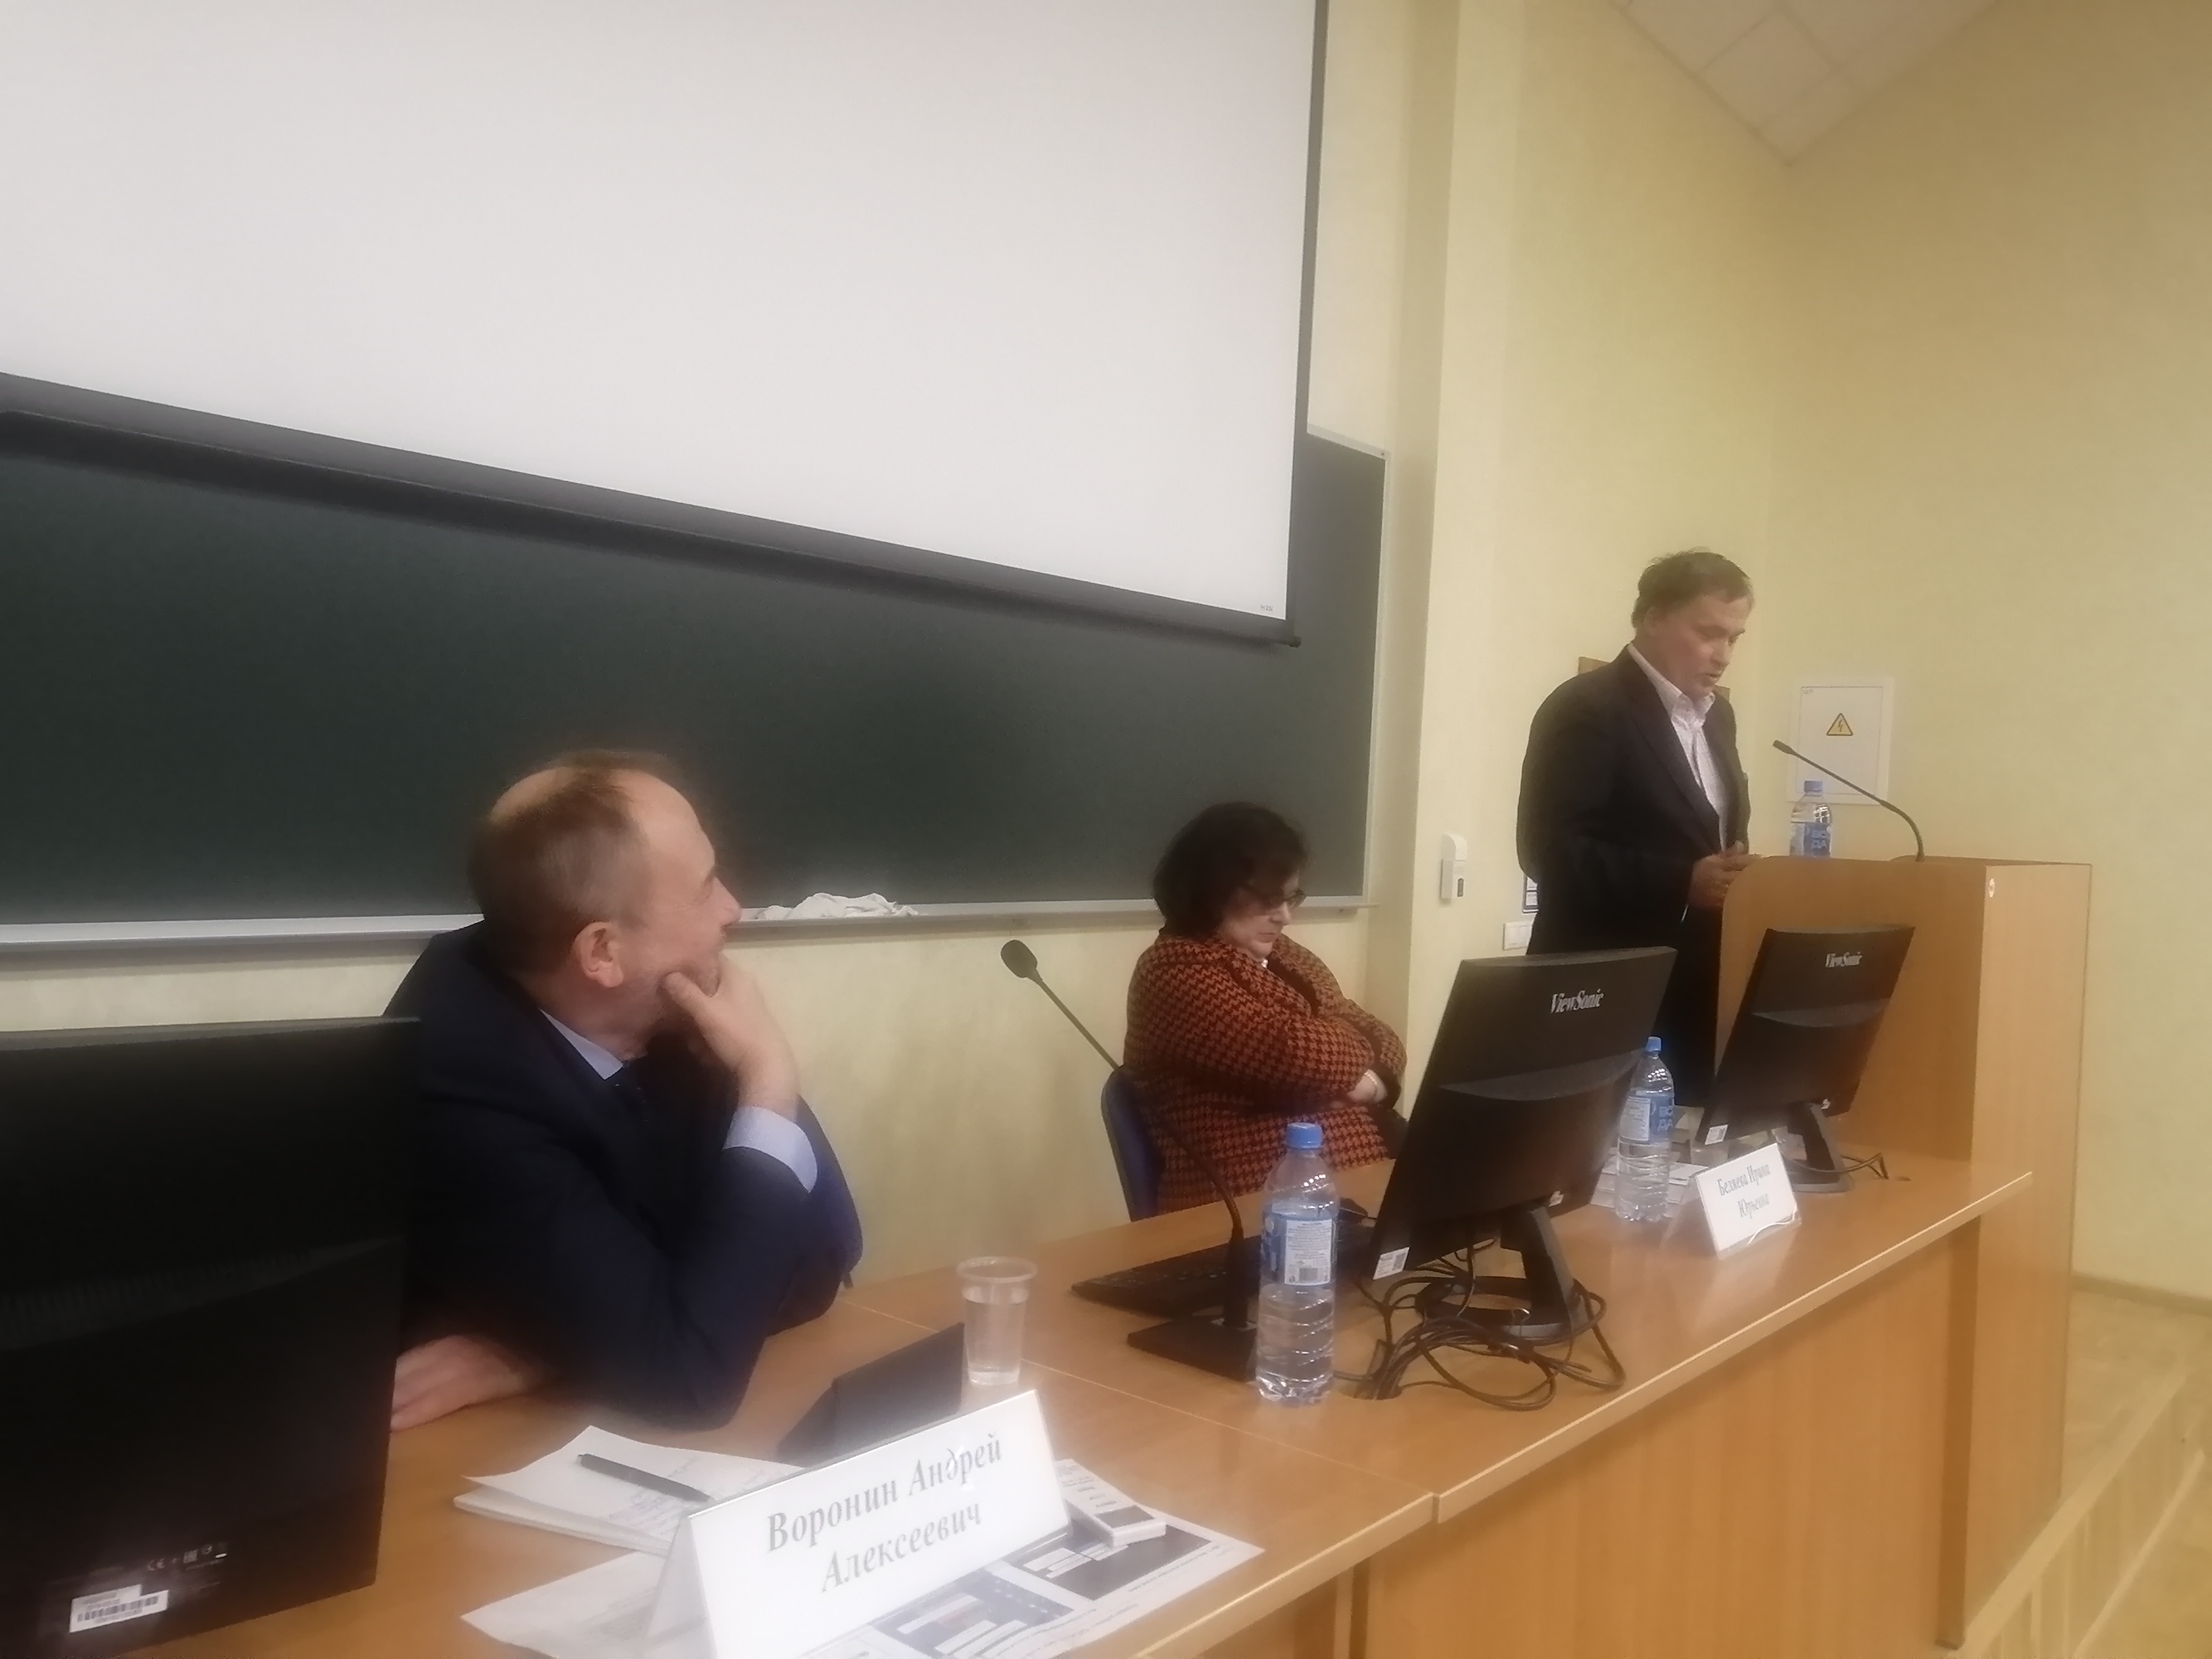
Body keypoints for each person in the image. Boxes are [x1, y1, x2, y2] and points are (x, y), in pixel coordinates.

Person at [386, 753, 862, 1431]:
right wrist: (766, 1084)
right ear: (603, 953)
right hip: (470, 1454)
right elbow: (691, 1379)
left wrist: (556, 1350)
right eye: (704, 888)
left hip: (606, 1415)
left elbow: (820, 1258)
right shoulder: (455, 1090)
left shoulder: (662, 1010)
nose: (733, 909)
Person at [1516, 549, 1754, 1104]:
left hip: (1695, 982)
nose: (1722, 655)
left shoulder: (1718, 717)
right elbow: (1548, 850)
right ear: (1652, 618)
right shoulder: (1587, 707)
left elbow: (1707, 836)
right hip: (1600, 986)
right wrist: (1681, 882)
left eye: (1734, 638)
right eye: (1708, 633)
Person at [1124, 803, 1406, 1212]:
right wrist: (1351, 1052)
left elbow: (1386, 1038)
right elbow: (1296, 1054)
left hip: (1350, 1189)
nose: (1285, 917)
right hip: (1249, 1207)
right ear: (1214, 889)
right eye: (1270, 899)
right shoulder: (1172, 970)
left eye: (1291, 899)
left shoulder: (1287, 955)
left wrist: (1368, 1084)